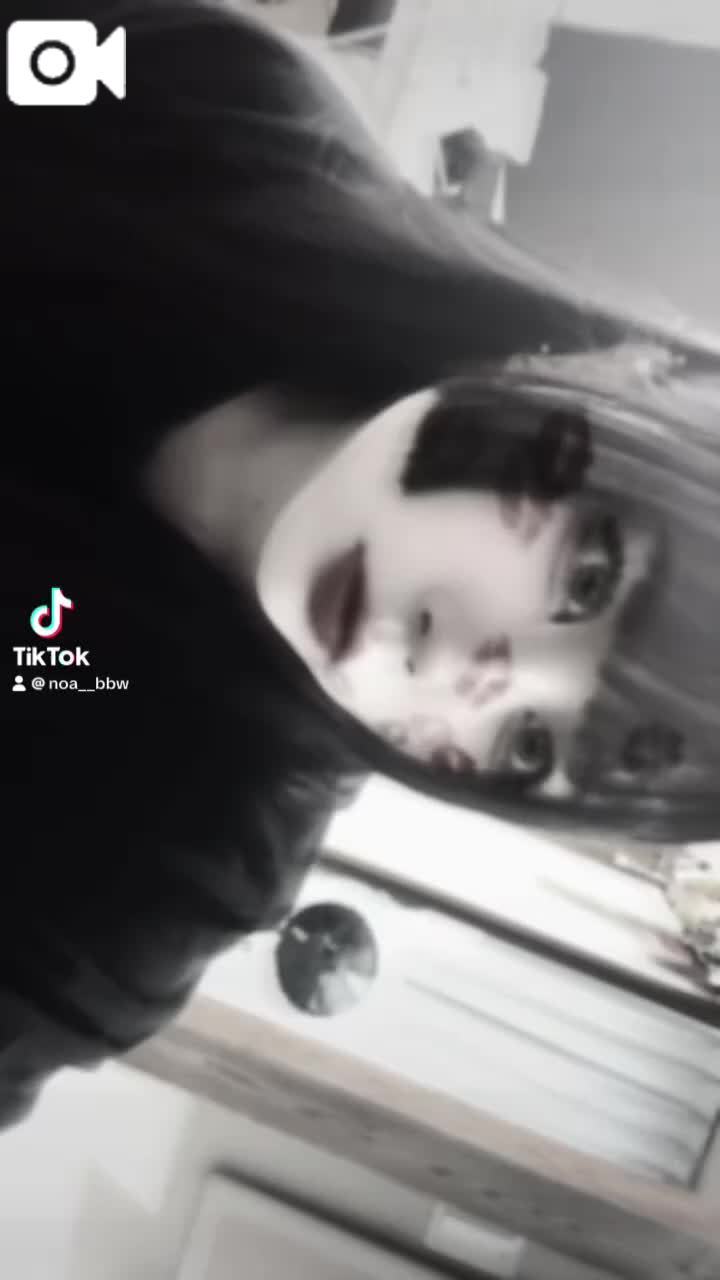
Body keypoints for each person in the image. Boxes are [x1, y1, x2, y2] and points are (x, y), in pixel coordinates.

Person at [1, 0, 719, 1130]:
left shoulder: (141, 872)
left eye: (529, 746)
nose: (452, 672)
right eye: (585, 578)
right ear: (630, 370)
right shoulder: (229, 100)